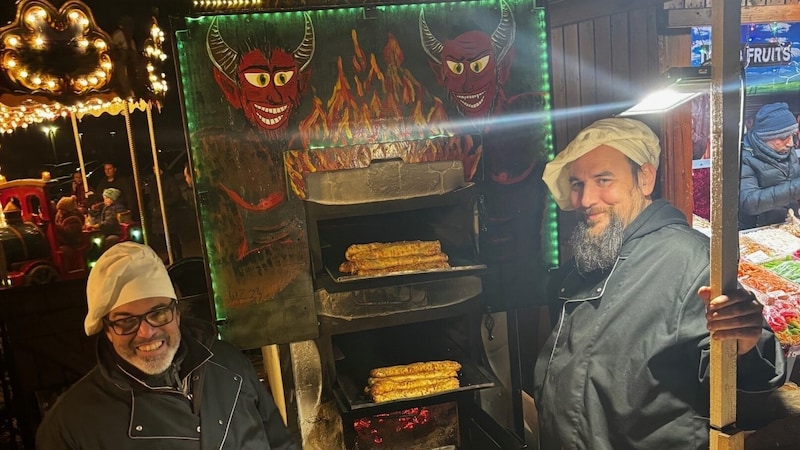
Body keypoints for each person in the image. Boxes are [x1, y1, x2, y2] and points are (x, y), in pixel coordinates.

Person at [534, 118, 785, 449]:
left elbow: (747, 386)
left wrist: (746, 343)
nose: (585, 199)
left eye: (603, 179)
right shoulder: (590, 260)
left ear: (645, 177)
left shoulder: (690, 260)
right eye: (578, 184)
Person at [35, 242, 299, 449]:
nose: (147, 332)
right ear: (107, 330)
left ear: (177, 311)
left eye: (159, 312)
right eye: (126, 321)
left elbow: (281, 443)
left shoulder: (230, 364)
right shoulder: (70, 427)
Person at [739, 102, 800, 229]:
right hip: (758, 229)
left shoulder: (786, 148)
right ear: (765, 137)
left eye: (792, 135)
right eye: (784, 137)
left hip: (788, 223)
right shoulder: (743, 156)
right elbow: (749, 202)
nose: (790, 143)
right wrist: (795, 188)